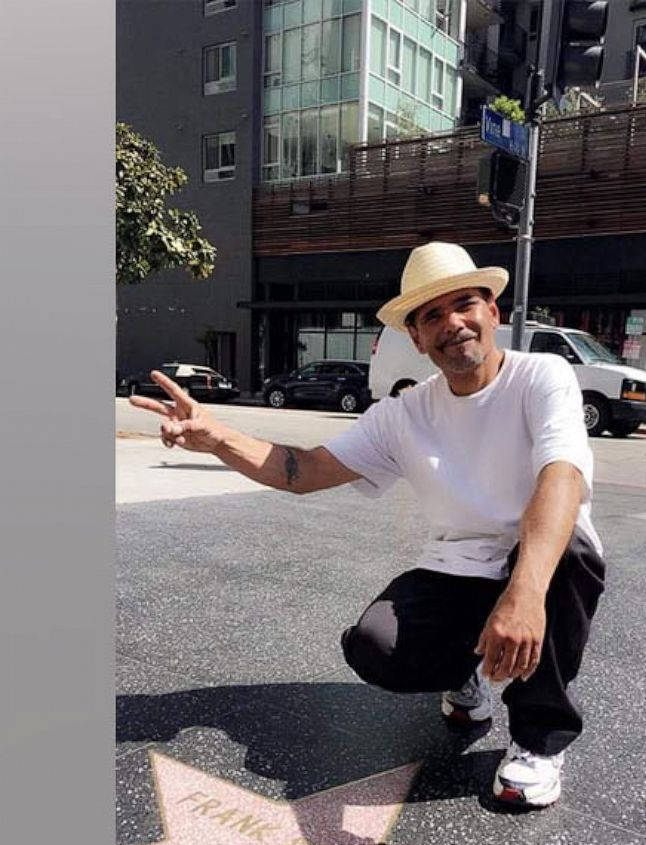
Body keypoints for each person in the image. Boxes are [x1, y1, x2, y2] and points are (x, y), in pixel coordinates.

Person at [129, 242, 605, 809]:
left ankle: (537, 741)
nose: (452, 323)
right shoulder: (403, 415)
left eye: (465, 304)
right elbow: (302, 470)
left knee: (567, 556)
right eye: (432, 315)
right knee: (375, 647)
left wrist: (525, 594)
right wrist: (218, 438)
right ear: (416, 337)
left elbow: (562, 476)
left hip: (544, 555)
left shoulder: (542, 376)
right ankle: (466, 671)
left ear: (493, 312)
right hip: (459, 565)